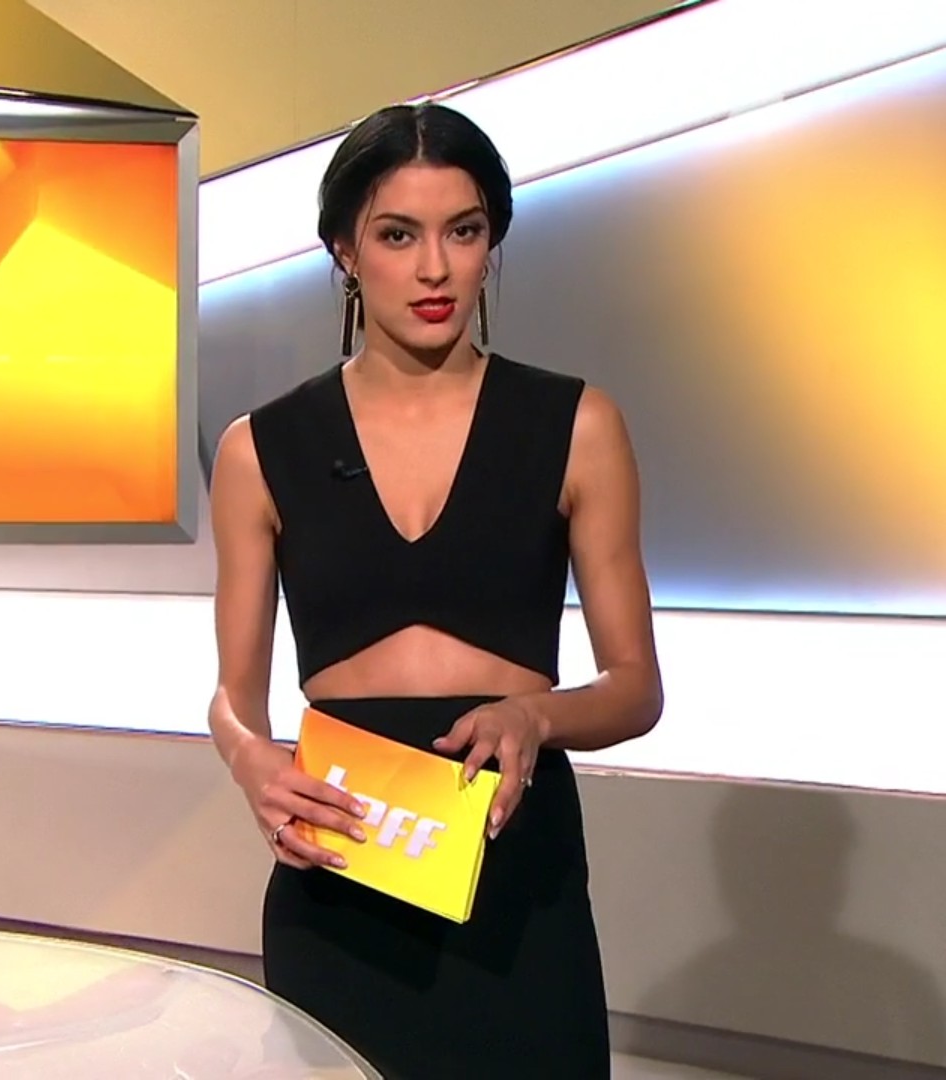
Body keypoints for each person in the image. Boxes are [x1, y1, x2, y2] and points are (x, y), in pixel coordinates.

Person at [207, 101, 665, 1079]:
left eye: (462, 232)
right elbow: (233, 698)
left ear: (491, 242)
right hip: (341, 868)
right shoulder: (261, 448)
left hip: (515, 877)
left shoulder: (576, 426)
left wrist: (537, 716)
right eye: (397, 235)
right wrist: (252, 763)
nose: (434, 269)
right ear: (344, 250)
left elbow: (635, 687)